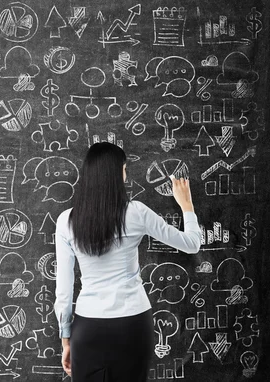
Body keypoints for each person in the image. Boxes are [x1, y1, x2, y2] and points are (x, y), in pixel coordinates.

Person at [54, 142, 201, 381]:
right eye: (124, 169)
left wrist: (66, 339)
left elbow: (64, 289)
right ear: (118, 173)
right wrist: (187, 206)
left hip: (88, 327)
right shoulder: (137, 212)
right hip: (133, 324)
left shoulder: (65, 221)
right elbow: (192, 243)